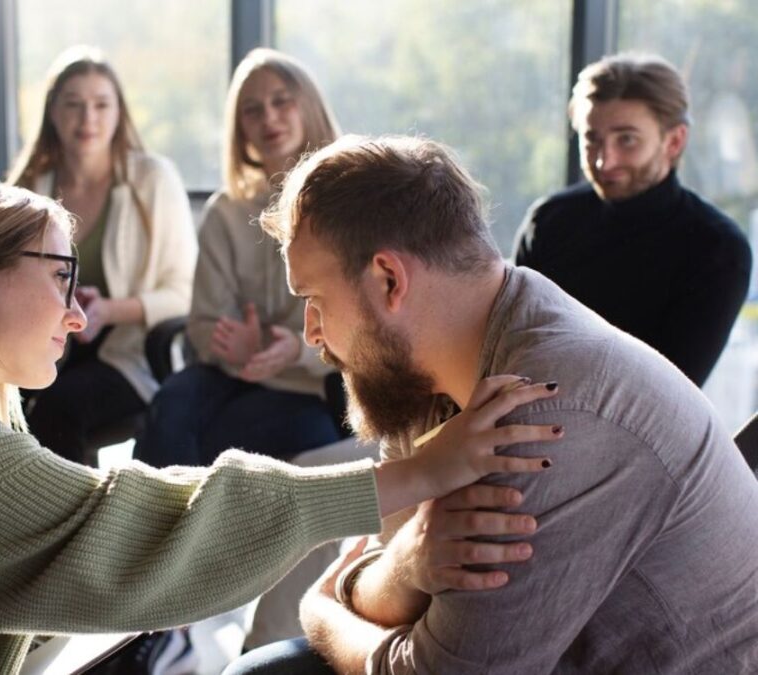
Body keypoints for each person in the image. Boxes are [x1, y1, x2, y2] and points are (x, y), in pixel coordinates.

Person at [0, 178, 559, 674]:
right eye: (62, 275)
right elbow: (133, 527)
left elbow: (90, 523)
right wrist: (413, 475)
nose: (75, 309)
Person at [227, 134, 758, 674]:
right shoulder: (429, 368)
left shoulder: (542, 416)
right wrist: (407, 565)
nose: (310, 333)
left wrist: (319, 610)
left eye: (313, 299)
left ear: (389, 279)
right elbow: (381, 566)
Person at [136, 48, 341, 468]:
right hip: (228, 372)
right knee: (167, 412)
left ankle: (189, 531)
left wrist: (294, 350)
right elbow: (203, 322)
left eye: (281, 101)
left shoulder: (346, 201)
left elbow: (365, 321)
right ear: (240, 127)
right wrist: (238, 349)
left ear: (308, 106)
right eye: (253, 110)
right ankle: (150, 532)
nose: (268, 117)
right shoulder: (226, 211)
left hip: (310, 382)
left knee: (227, 437)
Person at [513, 52, 752, 386]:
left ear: (674, 141)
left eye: (627, 140)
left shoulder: (718, 249)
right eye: (591, 139)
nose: (603, 162)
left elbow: (667, 393)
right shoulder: (549, 221)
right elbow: (509, 350)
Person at [7, 46, 197, 463]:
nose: (87, 118)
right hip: (45, 342)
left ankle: (75, 524)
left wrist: (110, 310)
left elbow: (185, 293)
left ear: (119, 113)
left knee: (59, 408)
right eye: (73, 105)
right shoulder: (31, 186)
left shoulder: (152, 179)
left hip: (130, 354)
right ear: (52, 113)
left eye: (101, 104)